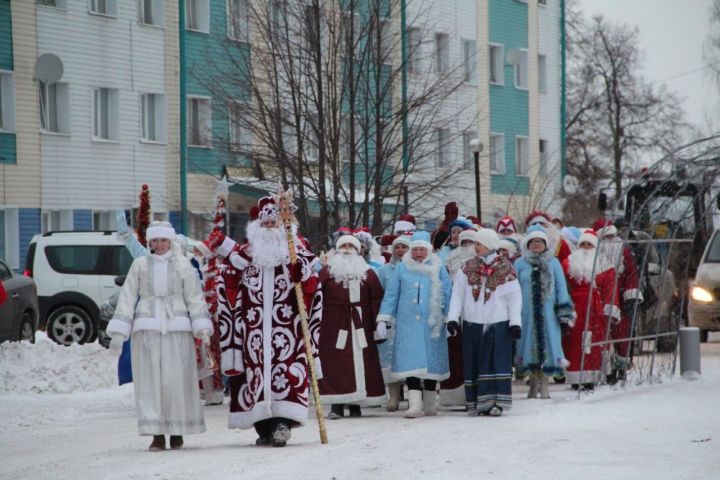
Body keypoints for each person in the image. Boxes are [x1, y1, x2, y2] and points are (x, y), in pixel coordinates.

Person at [207, 196, 324, 447]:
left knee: (287, 374)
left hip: (288, 330)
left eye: (274, 223)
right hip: (253, 330)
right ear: (258, 226)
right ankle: (263, 427)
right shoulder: (245, 255)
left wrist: (301, 274)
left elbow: (314, 288)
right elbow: (227, 286)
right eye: (266, 223)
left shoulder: (296, 251)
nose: (270, 227)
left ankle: (282, 424)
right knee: (255, 377)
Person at [106, 221, 213, 451]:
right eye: (155, 240)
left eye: (163, 240)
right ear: (150, 242)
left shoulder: (183, 266)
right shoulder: (140, 265)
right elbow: (127, 296)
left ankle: (176, 429)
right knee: (150, 381)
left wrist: (202, 326)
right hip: (148, 331)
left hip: (177, 330)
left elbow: (194, 297)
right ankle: (156, 433)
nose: (160, 244)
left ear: (171, 241)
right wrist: (119, 331)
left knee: (175, 380)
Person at [376, 231, 452, 418]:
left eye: (422, 249)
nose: (418, 253)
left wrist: (449, 317)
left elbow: (448, 292)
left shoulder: (438, 267)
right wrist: (384, 317)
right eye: (415, 249)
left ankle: (429, 404)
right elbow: (392, 294)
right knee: (412, 363)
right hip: (407, 324)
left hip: (432, 325)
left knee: (432, 363)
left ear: (428, 250)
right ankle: (415, 405)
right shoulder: (402, 268)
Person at [447, 229, 522, 416]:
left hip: (499, 322)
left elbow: (514, 297)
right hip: (473, 322)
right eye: (476, 244)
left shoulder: (505, 267)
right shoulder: (467, 267)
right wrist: (453, 318)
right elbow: (457, 295)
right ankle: (478, 402)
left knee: (497, 361)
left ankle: (498, 401)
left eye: (479, 244)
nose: (476, 247)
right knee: (475, 361)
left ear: (489, 245)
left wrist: (515, 322)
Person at [318, 234, 386, 419]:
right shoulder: (327, 272)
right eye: (343, 245)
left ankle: (357, 404)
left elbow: (376, 299)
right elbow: (316, 297)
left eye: (351, 246)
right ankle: (337, 405)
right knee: (336, 364)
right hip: (333, 324)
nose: (347, 249)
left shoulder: (368, 272)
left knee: (363, 361)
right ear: (337, 249)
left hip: (360, 324)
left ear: (358, 250)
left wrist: (378, 323)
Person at [515, 225, 575, 399]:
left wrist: (563, 310)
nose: (536, 244)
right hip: (526, 313)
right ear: (527, 243)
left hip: (548, 314)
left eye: (540, 241)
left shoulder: (553, 262)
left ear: (545, 244)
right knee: (528, 345)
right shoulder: (520, 263)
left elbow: (562, 287)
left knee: (549, 344)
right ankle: (533, 383)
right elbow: (513, 288)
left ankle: (545, 383)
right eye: (533, 241)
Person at [561, 230, 620, 390]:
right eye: (583, 244)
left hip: (595, 309)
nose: (586, 247)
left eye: (589, 244)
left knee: (593, 344)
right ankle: (576, 377)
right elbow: (562, 285)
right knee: (573, 344)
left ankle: (592, 376)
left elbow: (610, 288)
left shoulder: (604, 264)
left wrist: (609, 309)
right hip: (574, 308)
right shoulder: (568, 262)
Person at [593, 220, 643, 384]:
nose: (611, 239)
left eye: (613, 236)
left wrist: (631, 295)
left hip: (621, 300)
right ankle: (605, 369)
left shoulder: (625, 253)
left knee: (621, 334)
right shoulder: (595, 254)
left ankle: (620, 367)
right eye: (607, 237)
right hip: (601, 300)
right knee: (602, 335)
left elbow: (632, 275)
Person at [439, 229, 477, 406]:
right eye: (463, 243)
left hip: (476, 312)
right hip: (454, 313)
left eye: (470, 243)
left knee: (474, 354)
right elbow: (444, 287)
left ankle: (475, 394)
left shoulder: (481, 263)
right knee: (454, 354)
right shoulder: (449, 261)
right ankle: (454, 397)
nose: (466, 247)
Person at [377, 236, 411, 411]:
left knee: (410, 356)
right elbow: (381, 295)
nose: (400, 250)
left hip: (410, 318)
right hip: (392, 318)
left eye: (404, 247)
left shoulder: (415, 268)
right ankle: (394, 397)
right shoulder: (384, 271)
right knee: (390, 356)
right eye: (397, 247)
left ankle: (414, 396)